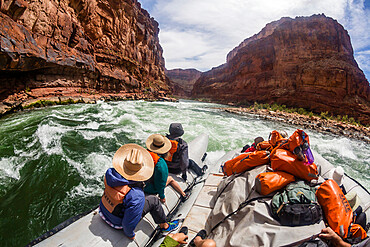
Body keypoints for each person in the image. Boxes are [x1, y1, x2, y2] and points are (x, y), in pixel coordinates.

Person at [99, 143, 180, 239]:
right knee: (153, 200)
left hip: (103, 211)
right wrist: (130, 235)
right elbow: (128, 223)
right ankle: (165, 226)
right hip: (116, 222)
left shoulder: (110, 174)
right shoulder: (136, 195)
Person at [144, 134, 189, 202]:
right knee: (170, 178)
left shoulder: (144, 153)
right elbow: (160, 183)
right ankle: (183, 194)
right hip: (149, 188)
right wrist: (162, 196)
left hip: (140, 185)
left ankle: (183, 194)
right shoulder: (160, 164)